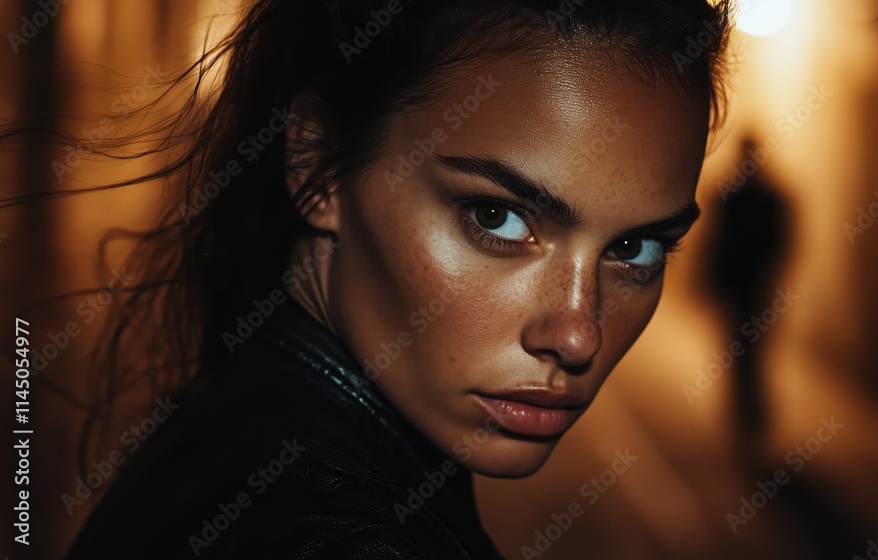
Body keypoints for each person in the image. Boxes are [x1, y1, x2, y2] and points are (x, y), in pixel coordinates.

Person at [33, 0, 732, 557]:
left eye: (636, 247)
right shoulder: (337, 532)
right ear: (318, 165)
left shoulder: (244, 413)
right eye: (499, 216)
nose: (579, 334)